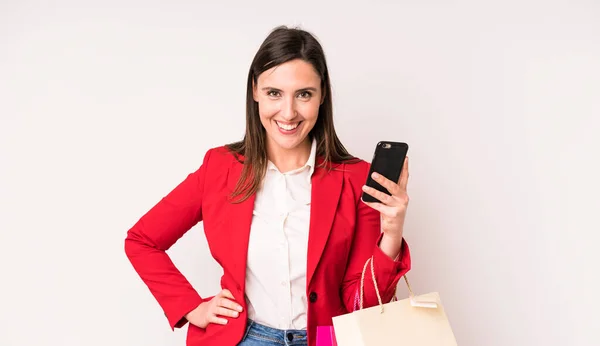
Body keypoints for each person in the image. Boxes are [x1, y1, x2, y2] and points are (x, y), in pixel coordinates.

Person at [124, 25, 412, 346]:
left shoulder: (356, 178)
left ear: (322, 95)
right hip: (244, 338)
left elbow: (365, 306)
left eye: (303, 94)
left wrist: (392, 233)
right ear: (255, 91)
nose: (288, 113)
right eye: (274, 93)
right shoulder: (219, 167)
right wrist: (191, 307)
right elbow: (141, 240)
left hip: (325, 340)